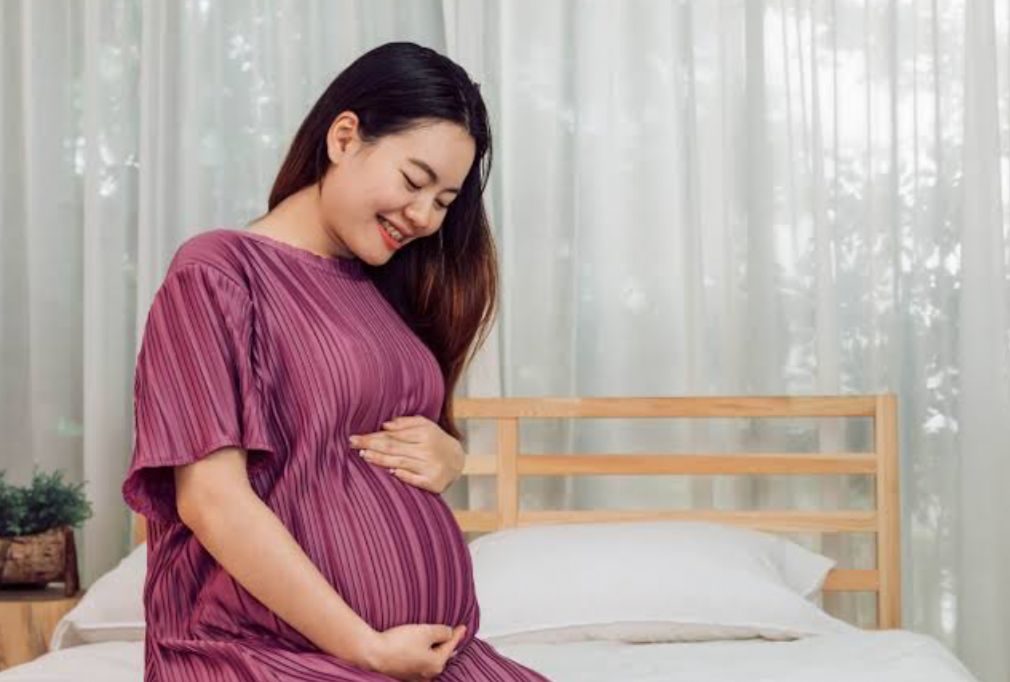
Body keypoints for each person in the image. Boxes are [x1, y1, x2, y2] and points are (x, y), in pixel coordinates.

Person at [122, 41, 552, 681]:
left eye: (444, 201)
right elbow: (211, 500)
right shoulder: (216, 272)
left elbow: (351, 447)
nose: (424, 216)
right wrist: (365, 645)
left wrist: (449, 455)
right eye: (414, 181)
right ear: (345, 137)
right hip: (262, 652)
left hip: (427, 660)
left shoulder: (379, 289)